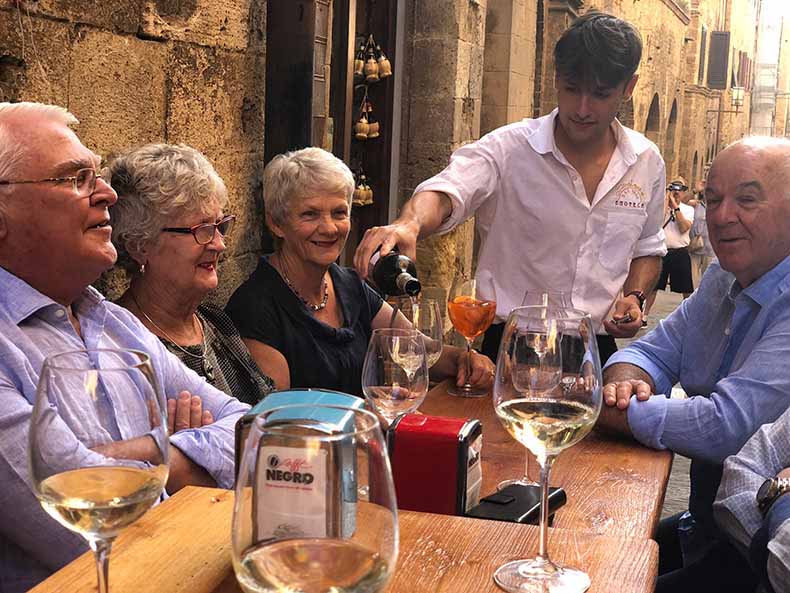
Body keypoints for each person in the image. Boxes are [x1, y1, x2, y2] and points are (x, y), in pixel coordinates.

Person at [0, 102, 249, 592]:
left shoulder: (115, 324)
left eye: (97, 173)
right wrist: (190, 469)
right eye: (74, 177)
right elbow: (106, 536)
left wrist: (149, 458)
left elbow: (252, 431)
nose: (107, 193)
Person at [352, 11, 666, 364]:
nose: (581, 108)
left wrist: (635, 297)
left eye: (599, 95)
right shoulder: (510, 147)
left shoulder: (646, 161)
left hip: (596, 350)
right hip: (513, 348)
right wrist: (408, 224)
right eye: (571, 90)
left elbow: (648, 247)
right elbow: (448, 189)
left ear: (629, 87)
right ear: (556, 79)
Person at [597, 136, 790, 592]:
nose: (721, 217)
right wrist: (622, 383)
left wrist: (602, 409)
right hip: (704, 526)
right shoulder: (724, 278)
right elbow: (651, 351)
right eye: (712, 198)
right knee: (585, 549)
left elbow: (728, 427)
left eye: (746, 199)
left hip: (758, 553)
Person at [226, 146, 494, 396]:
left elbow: (417, 349)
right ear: (276, 224)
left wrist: (463, 359)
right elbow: (280, 415)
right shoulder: (255, 307)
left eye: (339, 213)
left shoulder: (348, 284)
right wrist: (366, 410)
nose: (330, 228)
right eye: (310, 214)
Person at [108, 143, 275, 405]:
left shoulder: (216, 323)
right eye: (202, 230)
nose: (219, 244)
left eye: (220, 225)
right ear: (140, 245)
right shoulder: (125, 348)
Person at [715, 407, 790, 593]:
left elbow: (722, 426)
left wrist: (781, 495)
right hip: (728, 553)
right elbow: (738, 474)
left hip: (743, 565)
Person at [642, 177, 695, 324]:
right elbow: (656, 223)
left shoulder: (688, 209)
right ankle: (644, 315)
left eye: (680, 189)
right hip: (662, 251)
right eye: (674, 188)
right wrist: (667, 201)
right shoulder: (662, 207)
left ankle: (691, 314)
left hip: (679, 251)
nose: (677, 192)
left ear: (684, 192)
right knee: (653, 286)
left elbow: (684, 227)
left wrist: (676, 208)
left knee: (686, 288)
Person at [689, 178, 716, 289]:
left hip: (710, 249)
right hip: (694, 247)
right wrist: (695, 190)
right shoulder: (696, 205)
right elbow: (681, 202)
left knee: (708, 282)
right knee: (691, 282)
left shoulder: (717, 206)